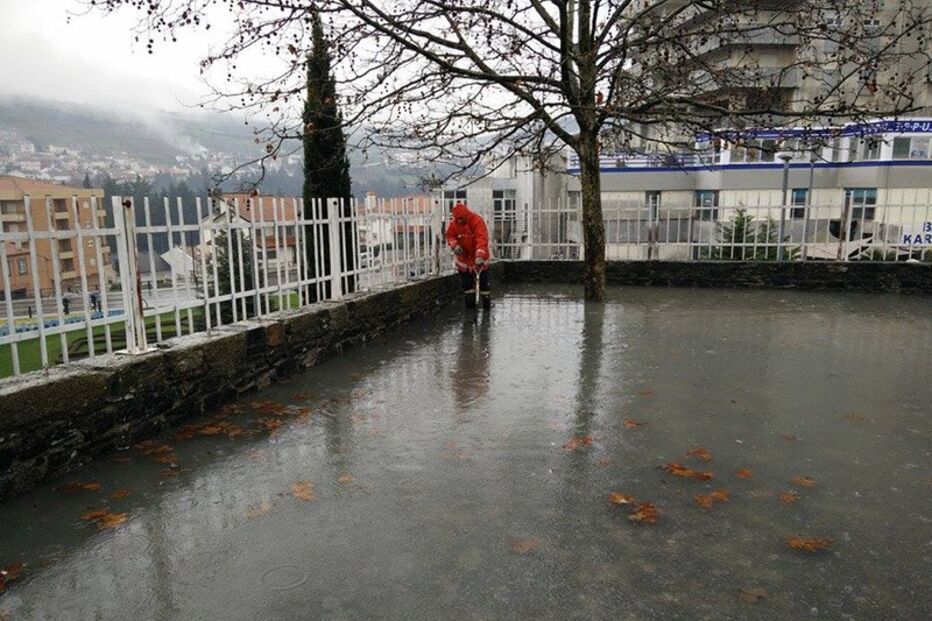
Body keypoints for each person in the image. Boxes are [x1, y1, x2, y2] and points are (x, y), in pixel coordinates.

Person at [446, 201, 491, 310]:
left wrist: (479, 255)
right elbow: (450, 236)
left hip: (479, 259)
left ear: (466, 215)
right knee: (467, 288)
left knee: (484, 287)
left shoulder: (477, 221)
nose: (460, 221)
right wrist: (455, 246)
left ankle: (486, 310)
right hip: (463, 260)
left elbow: (482, 238)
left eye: (461, 219)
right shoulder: (454, 223)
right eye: (458, 219)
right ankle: (470, 312)